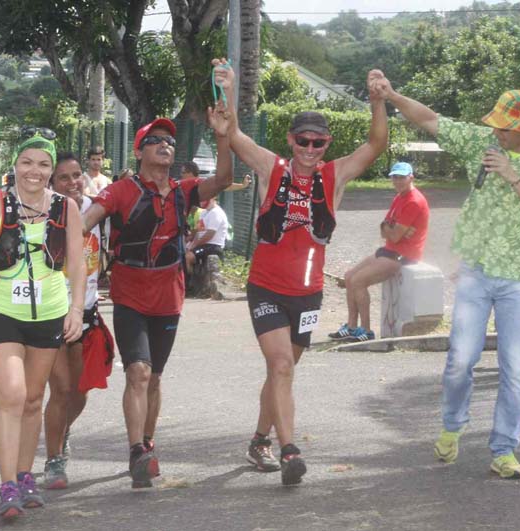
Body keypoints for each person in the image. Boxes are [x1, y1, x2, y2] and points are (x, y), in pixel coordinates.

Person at [373, 78, 520, 480]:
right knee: (460, 360)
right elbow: (430, 119)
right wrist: (392, 96)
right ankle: (452, 427)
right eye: (495, 125)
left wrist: (513, 175)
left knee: (514, 368)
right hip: (476, 273)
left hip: (518, 279)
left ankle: (504, 451)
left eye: (504, 127)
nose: (496, 132)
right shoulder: (481, 142)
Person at [213, 58, 388, 485]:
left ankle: (259, 440)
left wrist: (377, 100)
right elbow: (232, 133)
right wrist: (228, 89)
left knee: (282, 371)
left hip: (308, 294)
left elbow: (376, 144)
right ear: (291, 140)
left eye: (318, 143)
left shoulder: (335, 175)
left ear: (326, 144)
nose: (310, 150)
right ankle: (290, 451)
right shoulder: (272, 168)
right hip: (267, 288)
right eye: (303, 141)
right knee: (281, 367)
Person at [81, 103, 233, 489]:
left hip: (170, 295)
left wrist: (222, 136)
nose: (165, 145)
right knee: (138, 372)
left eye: (169, 141)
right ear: (139, 150)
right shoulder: (120, 190)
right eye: (155, 141)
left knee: (156, 377)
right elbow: (85, 222)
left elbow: (226, 177)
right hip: (130, 293)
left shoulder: (184, 191)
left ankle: (148, 442)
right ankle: (136, 452)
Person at [0, 130, 85, 518]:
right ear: (14, 164)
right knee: (11, 392)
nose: (34, 171)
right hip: (1, 311)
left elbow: (76, 262)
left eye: (43, 164)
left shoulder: (66, 209)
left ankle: (26, 476)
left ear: (52, 169)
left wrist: (76, 309)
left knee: (32, 399)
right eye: (27, 162)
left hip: (49, 314)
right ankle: (7, 484)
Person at [42, 152, 112, 489]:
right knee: (61, 388)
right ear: (51, 183)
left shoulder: (98, 210)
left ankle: (62, 432)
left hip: (87, 313)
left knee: (81, 392)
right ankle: (54, 460)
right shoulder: (44, 213)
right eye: (63, 178)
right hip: (53, 313)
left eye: (76, 175)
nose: (72, 183)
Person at [331, 161, 430, 342]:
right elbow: (385, 230)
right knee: (349, 277)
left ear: (411, 178)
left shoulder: (414, 201)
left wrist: (391, 229)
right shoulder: (399, 196)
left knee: (359, 281)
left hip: (404, 256)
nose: (398, 181)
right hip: (390, 250)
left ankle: (366, 330)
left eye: (402, 177)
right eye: (395, 177)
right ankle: (352, 326)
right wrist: (390, 228)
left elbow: (393, 236)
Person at [181, 160, 252, 191]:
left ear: (190, 173)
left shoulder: (203, 184)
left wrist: (243, 185)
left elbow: (224, 186)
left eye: (183, 172)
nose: (181, 175)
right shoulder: (179, 185)